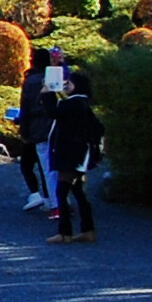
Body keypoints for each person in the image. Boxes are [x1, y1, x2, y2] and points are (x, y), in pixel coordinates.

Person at [45, 63, 102, 242]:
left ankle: (64, 232)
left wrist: (47, 93)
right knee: (78, 191)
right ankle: (87, 229)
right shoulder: (82, 103)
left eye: (68, 83)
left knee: (62, 192)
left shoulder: (74, 103)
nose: (65, 85)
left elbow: (53, 112)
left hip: (69, 154)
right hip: (78, 154)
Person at [15, 50, 60, 212]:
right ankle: (62, 199)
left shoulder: (30, 81)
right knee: (59, 165)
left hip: (37, 126)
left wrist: (24, 130)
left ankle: (54, 203)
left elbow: (25, 107)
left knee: (46, 166)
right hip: (57, 124)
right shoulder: (55, 76)